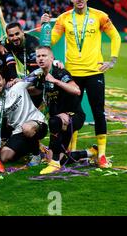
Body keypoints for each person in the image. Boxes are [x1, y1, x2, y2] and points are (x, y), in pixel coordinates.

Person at [41, 0, 122, 168]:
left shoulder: (99, 16)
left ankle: (101, 155)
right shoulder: (63, 19)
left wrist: (113, 60)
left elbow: (115, 36)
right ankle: (71, 149)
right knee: (73, 113)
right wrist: (45, 26)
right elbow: (50, 41)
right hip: (73, 75)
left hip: (94, 72)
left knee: (98, 112)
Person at [0, 70, 48, 168]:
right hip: (18, 131)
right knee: (4, 157)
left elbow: (35, 74)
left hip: (37, 123)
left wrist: (55, 63)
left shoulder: (18, 86)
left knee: (27, 128)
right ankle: (28, 151)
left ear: (4, 81)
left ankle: (36, 155)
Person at [34, 46, 86, 174]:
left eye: (44, 56)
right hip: (59, 119)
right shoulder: (41, 76)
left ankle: (55, 164)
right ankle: (89, 152)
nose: (41, 58)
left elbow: (76, 90)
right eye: (38, 56)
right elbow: (36, 89)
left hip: (74, 116)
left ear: (52, 58)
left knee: (54, 121)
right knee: (53, 157)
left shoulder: (60, 73)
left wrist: (55, 81)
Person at [4, 22, 42, 107]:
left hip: (40, 77)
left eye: (17, 34)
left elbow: (36, 72)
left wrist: (22, 82)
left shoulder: (33, 44)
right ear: (7, 36)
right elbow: (10, 61)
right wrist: (13, 78)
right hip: (26, 79)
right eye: (11, 35)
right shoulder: (7, 43)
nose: (14, 38)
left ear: (22, 32)